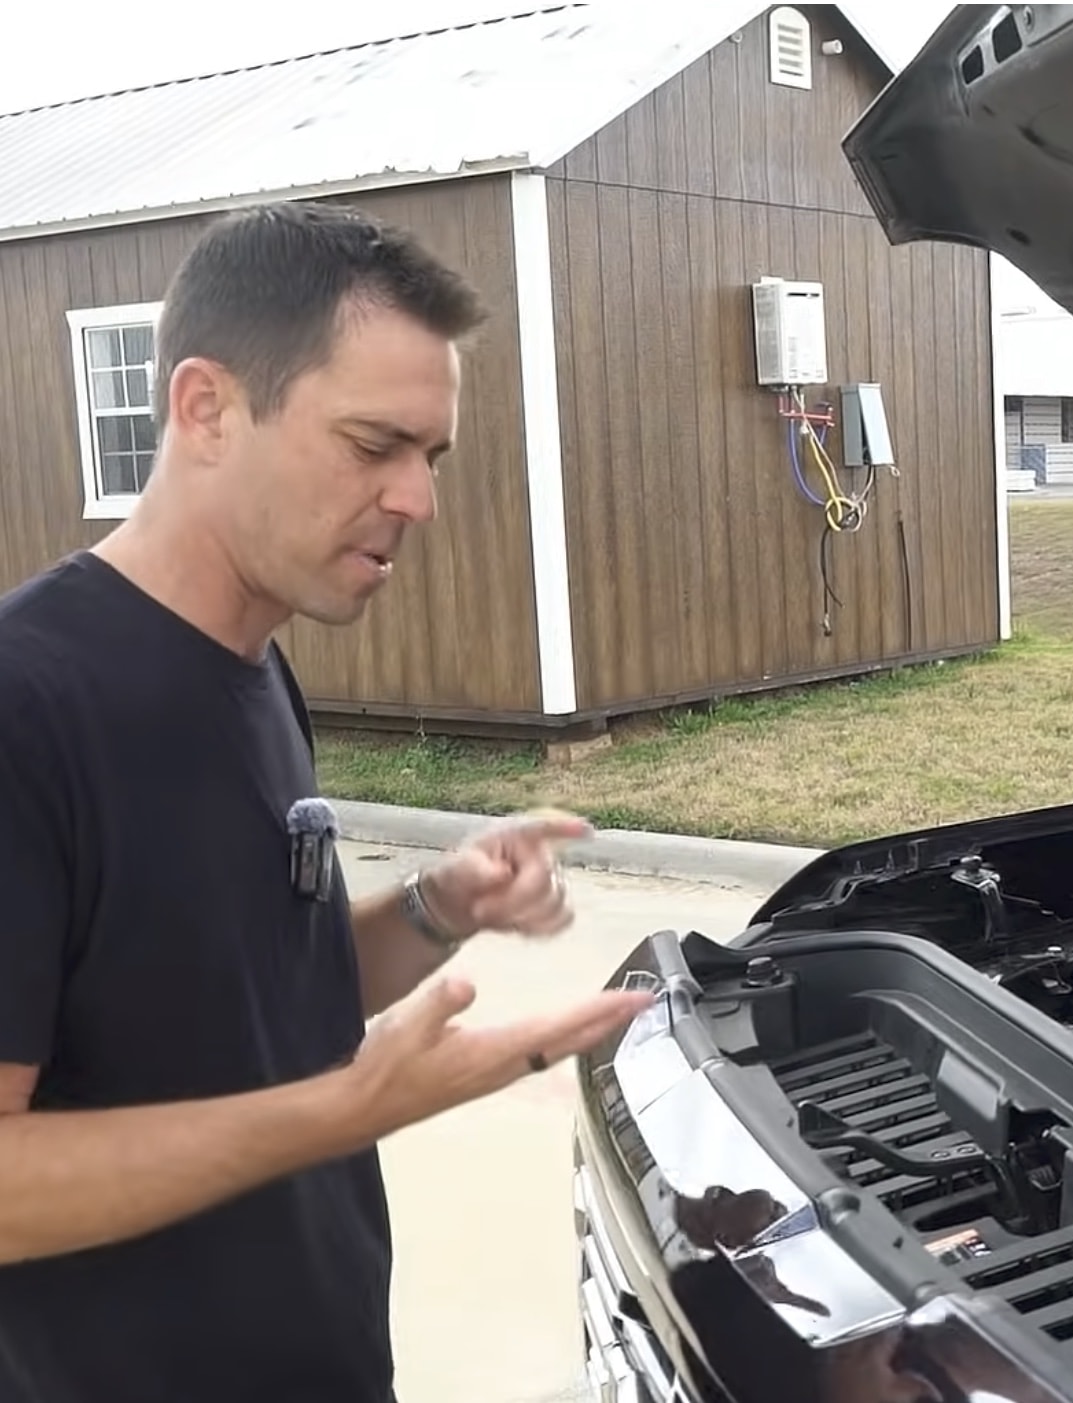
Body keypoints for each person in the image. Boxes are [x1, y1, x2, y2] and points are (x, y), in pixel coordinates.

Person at [0, 201, 654, 1402]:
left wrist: (437, 906)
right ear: (206, 408)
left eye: (430, 456)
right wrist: (340, 1110)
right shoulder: (27, 704)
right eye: (373, 444)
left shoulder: (255, 668)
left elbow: (251, 999)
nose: (417, 499)